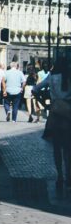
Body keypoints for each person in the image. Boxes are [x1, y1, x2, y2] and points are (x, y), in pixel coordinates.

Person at [36, 60, 71, 196]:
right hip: (68, 115)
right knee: (68, 149)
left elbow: (35, 88)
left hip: (55, 115)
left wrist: (45, 104)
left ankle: (60, 177)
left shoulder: (51, 76)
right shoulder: (69, 76)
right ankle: (69, 177)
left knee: (57, 148)